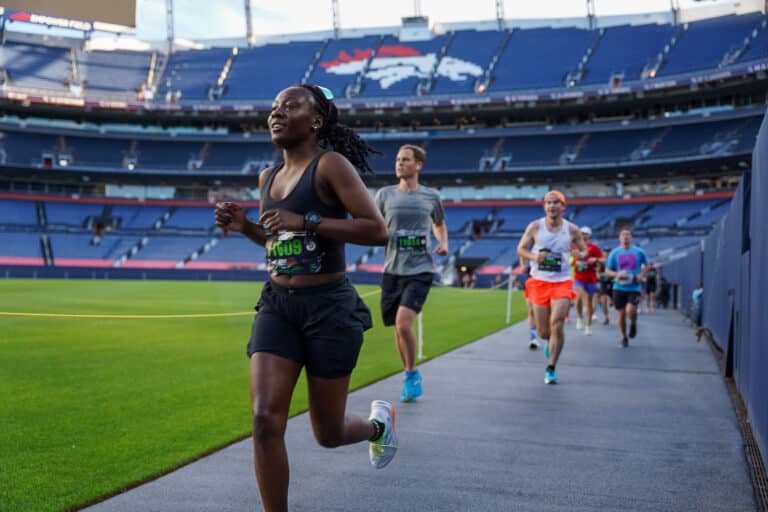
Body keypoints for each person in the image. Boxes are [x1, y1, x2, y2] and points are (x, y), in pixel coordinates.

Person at [215, 84, 395, 512]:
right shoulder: (268, 177)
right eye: (274, 107)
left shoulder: (331, 165)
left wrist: (308, 220)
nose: (276, 113)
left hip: (329, 308)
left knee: (328, 434)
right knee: (264, 419)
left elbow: (377, 230)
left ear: (315, 121)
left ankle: (378, 427)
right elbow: (278, 242)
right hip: (278, 305)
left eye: (290, 106)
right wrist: (246, 227)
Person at [374, 144, 448, 403]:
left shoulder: (431, 196)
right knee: (397, 328)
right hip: (392, 270)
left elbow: (439, 223)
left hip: (420, 269)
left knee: (404, 323)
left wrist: (443, 242)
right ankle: (409, 373)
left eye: (405, 159)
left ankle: (412, 373)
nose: (399, 163)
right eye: (398, 159)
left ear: (418, 165)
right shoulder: (384, 195)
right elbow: (373, 223)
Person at [517, 190, 588, 384]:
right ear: (544, 206)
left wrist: (579, 254)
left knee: (557, 322)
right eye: (548, 202)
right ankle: (549, 341)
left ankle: (551, 368)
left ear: (563, 206)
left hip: (562, 281)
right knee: (543, 332)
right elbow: (521, 248)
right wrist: (534, 257)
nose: (551, 206)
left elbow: (583, 250)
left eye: (556, 202)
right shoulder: (535, 226)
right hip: (539, 281)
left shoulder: (572, 229)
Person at [605, 227, 649, 348]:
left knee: (630, 310)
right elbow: (607, 270)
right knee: (621, 314)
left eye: (628, 234)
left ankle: (633, 323)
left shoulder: (639, 252)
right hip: (618, 287)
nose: (625, 237)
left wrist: (641, 275)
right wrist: (616, 274)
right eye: (623, 234)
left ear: (631, 237)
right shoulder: (615, 253)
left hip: (634, 287)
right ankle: (624, 337)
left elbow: (648, 265)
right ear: (619, 238)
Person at [571, 226, 603, 335]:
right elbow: (568, 260)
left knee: (589, 304)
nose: (583, 235)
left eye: (585, 233)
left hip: (590, 279)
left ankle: (588, 326)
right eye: (581, 233)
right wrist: (574, 260)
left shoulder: (594, 247)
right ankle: (580, 317)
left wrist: (596, 259)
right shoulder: (574, 247)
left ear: (589, 235)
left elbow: (603, 259)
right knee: (578, 297)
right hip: (578, 278)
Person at [597, 255, 614, 325]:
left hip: (612, 282)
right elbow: (597, 272)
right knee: (603, 301)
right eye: (605, 251)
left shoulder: (613, 259)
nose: (607, 252)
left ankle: (612, 300)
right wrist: (599, 277)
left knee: (615, 301)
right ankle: (606, 317)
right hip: (603, 282)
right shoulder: (600, 262)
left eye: (608, 251)